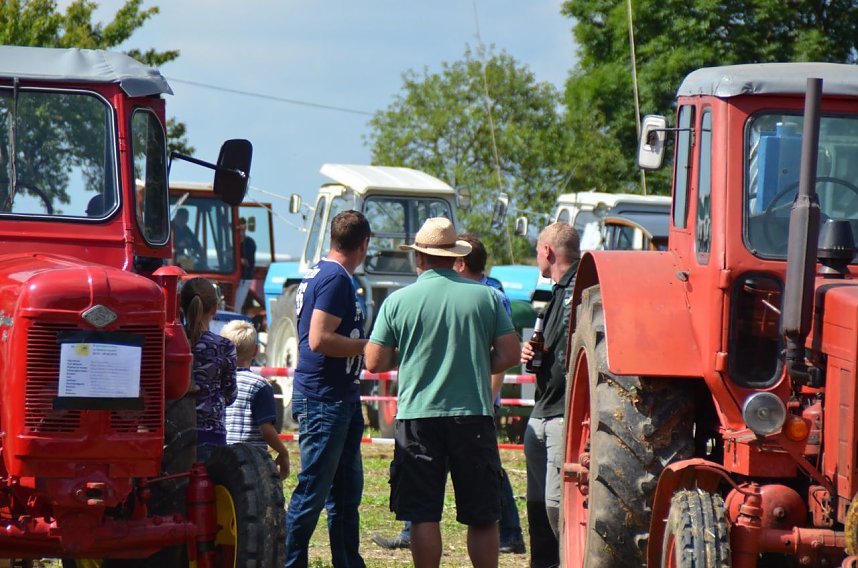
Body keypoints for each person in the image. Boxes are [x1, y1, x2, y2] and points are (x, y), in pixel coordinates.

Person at [365, 218, 520, 568]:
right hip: (473, 415)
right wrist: (475, 363)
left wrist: (408, 352)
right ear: (454, 257)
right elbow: (510, 355)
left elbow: (374, 362)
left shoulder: (398, 300)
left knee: (423, 514)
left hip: (418, 416)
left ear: (418, 258)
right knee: (482, 514)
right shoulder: (488, 297)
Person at [285, 210, 372, 568]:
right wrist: (366, 345)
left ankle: (348, 562)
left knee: (346, 492)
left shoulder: (319, 272)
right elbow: (319, 340)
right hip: (325, 398)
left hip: (338, 397)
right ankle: (287, 561)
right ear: (364, 245)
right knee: (313, 492)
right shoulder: (336, 279)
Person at [519, 222, 580, 568]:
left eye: (537, 250)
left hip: (562, 414)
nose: (536, 257)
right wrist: (532, 351)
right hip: (542, 411)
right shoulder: (556, 293)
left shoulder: (584, 288)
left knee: (557, 504)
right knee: (537, 502)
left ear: (547, 251)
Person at [221, 319, 290, 478]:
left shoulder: (217, 381)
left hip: (221, 457)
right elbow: (266, 429)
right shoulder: (260, 385)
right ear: (256, 350)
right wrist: (283, 452)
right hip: (251, 462)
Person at [180, 277, 238, 463]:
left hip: (175, 433)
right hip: (212, 432)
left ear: (181, 307)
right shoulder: (224, 346)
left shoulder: (172, 344)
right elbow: (230, 394)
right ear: (214, 308)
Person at [234, 217, 257, 312]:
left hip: (244, 278)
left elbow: (248, 263)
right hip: (235, 277)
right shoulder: (233, 243)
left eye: (243, 226)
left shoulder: (249, 243)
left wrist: (238, 260)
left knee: (236, 307)